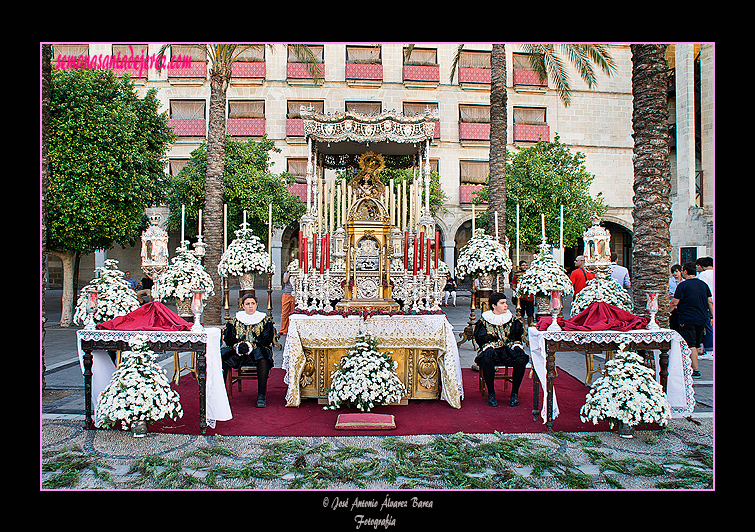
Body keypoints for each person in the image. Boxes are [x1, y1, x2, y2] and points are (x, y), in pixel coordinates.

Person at [473, 292, 529, 407]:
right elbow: (481, 338)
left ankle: (514, 393)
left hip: (508, 349)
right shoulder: (484, 321)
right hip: (492, 349)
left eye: (506, 303)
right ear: (494, 305)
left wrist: (516, 345)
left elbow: (516, 336)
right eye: (502, 303)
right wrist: (487, 346)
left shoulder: (512, 320)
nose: (506, 306)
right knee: (487, 360)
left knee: (521, 359)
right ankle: (491, 394)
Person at [221, 293, 275, 407]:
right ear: (242, 306)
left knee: (264, 356)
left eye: (253, 304)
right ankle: (221, 393)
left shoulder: (264, 320)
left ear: (256, 305)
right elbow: (228, 338)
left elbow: (267, 339)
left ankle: (261, 395)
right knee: (223, 354)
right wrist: (238, 346)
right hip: (239, 354)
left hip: (256, 353)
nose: (250, 306)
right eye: (247, 304)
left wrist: (251, 346)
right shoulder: (234, 321)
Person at [669, 262, 713, 379]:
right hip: (702, 317)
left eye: (682, 270)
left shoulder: (683, 285)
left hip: (687, 318)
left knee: (690, 343)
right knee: (697, 343)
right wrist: (712, 316)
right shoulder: (703, 285)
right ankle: (694, 365)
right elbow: (710, 301)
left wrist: (667, 312)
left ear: (686, 272)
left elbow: (674, 302)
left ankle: (695, 369)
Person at [696, 257, 714, 359]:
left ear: (702, 266)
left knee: (708, 326)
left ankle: (709, 350)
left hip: (708, 301)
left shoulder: (703, 275)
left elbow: (702, 289)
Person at [511, 260, 535, 328]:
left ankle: (530, 326)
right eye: (523, 265)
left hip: (529, 297)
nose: (525, 267)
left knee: (530, 314)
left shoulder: (530, 275)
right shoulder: (517, 275)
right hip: (521, 297)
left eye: (526, 265)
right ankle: (523, 327)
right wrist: (518, 289)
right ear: (520, 266)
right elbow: (513, 286)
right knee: (521, 313)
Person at [279, 270, 295, 335]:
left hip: (294, 295)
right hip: (287, 294)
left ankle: (292, 329)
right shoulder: (286, 273)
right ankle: (282, 329)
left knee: (293, 312)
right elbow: (285, 281)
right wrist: (288, 274)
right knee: (284, 313)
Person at [668, 264, 682, 331]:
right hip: (673, 306)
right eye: (673, 272)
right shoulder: (670, 281)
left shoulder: (684, 281)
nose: (675, 274)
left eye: (676, 271)